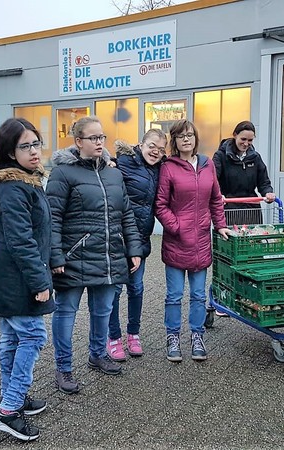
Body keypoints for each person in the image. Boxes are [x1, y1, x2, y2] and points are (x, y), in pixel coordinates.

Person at [46, 116, 143, 394]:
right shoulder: (63, 173)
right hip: (72, 258)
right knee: (66, 314)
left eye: (102, 137)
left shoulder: (114, 174)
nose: (100, 142)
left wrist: (133, 248)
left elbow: (126, 214)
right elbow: (52, 218)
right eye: (94, 138)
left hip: (108, 255)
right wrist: (55, 256)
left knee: (103, 311)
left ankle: (97, 354)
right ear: (78, 142)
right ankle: (63, 368)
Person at [0, 118, 54, 442]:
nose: (35, 151)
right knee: (33, 336)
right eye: (26, 146)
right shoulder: (13, 188)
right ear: (11, 152)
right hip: (17, 277)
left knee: (12, 338)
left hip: (14, 274)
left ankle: (13, 396)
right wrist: (40, 282)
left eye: (36, 143)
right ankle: (9, 409)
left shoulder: (27, 181)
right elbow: (21, 241)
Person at [155, 119, 230, 362]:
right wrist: (176, 227)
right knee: (174, 295)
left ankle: (197, 335)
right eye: (181, 136)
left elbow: (216, 199)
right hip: (177, 242)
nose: (186, 139)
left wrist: (220, 226)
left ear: (196, 139)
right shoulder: (169, 167)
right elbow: (160, 204)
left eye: (190, 135)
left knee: (198, 295)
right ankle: (173, 336)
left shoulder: (208, 165)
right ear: (175, 141)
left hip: (201, 242)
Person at [106, 129, 167, 361]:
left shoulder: (161, 167)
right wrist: (108, 162)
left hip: (141, 238)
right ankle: (113, 337)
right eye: (152, 145)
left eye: (161, 150)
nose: (156, 152)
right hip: (119, 238)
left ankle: (133, 334)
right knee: (116, 290)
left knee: (137, 288)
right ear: (141, 143)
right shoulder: (123, 162)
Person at [210, 120, 277, 318]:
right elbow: (213, 180)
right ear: (234, 135)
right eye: (243, 139)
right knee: (228, 256)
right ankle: (225, 297)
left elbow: (263, 182)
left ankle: (248, 296)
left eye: (250, 140)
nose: (246, 143)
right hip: (229, 209)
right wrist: (218, 195)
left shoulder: (255, 158)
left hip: (251, 209)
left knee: (252, 253)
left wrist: (268, 192)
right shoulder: (221, 156)